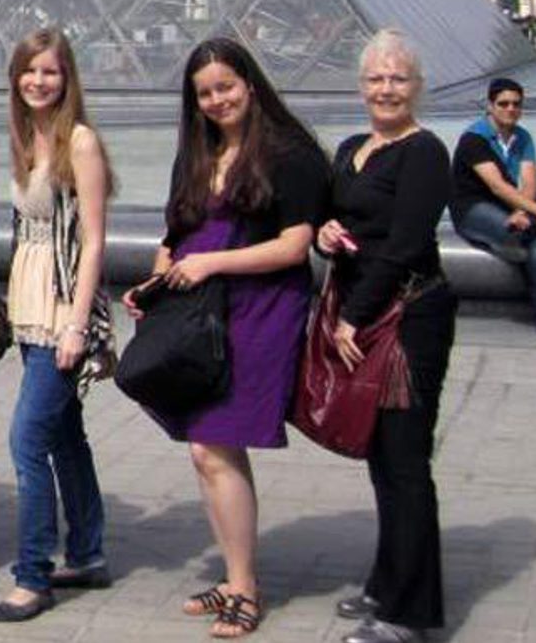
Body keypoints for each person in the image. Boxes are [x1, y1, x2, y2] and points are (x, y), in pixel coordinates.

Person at [137, 37, 329, 638]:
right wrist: (154, 284)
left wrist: (211, 265)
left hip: (260, 308)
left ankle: (243, 586)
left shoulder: (287, 153)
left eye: (226, 86)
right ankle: (234, 576)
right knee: (207, 448)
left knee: (214, 444)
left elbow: (295, 246)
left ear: (250, 83)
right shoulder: (197, 155)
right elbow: (174, 235)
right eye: (205, 93)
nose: (217, 100)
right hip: (199, 310)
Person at [317, 29, 456, 643]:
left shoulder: (425, 153)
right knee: (382, 459)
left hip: (407, 319)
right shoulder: (352, 147)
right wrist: (325, 231)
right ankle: (388, 579)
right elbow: (337, 214)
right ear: (361, 86)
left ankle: (410, 613)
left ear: (417, 87)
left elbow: (404, 244)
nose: (386, 88)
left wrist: (354, 313)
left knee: (405, 461)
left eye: (398, 78)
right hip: (368, 318)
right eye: (376, 78)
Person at [0, 29, 120, 623]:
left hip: (60, 310)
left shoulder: (81, 142)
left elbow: (94, 240)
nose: (38, 81)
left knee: (27, 441)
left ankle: (33, 573)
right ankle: (89, 553)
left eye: (49, 71)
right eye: (29, 71)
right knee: (66, 434)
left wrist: (76, 325)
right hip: (29, 302)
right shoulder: (26, 137)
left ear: (67, 79)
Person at [448, 78, 536, 339]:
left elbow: (530, 183)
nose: (510, 109)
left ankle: (524, 226)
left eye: (516, 104)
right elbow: (498, 187)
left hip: (512, 209)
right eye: (503, 104)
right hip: (474, 210)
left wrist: (525, 213)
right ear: (490, 106)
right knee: (534, 239)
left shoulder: (523, 137)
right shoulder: (474, 139)